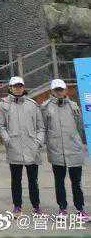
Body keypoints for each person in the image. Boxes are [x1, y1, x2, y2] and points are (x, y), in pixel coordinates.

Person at [0, 76, 45, 218]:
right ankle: (17, 207)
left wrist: (38, 142)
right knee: (16, 180)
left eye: (20, 86)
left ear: (23, 87)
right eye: (15, 86)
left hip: (32, 148)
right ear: (10, 88)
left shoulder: (32, 105)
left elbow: (41, 127)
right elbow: (1, 126)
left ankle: (36, 206)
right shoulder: (3, 105)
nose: (18, 89)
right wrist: (7, 140)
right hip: (14, 147)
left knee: (33, 180)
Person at [41, 79, 87, 219]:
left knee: (76, 182)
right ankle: (62, 209)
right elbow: (43, 128)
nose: (59, 92)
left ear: (65, 90)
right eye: (56, 90)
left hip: (74, 150)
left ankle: (80, 209)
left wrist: (78, 142)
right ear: (52, 91)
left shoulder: (74, 106)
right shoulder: (45, 107)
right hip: (56, 151)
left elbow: (80, 127)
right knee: (59, 182)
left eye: (61, 89)